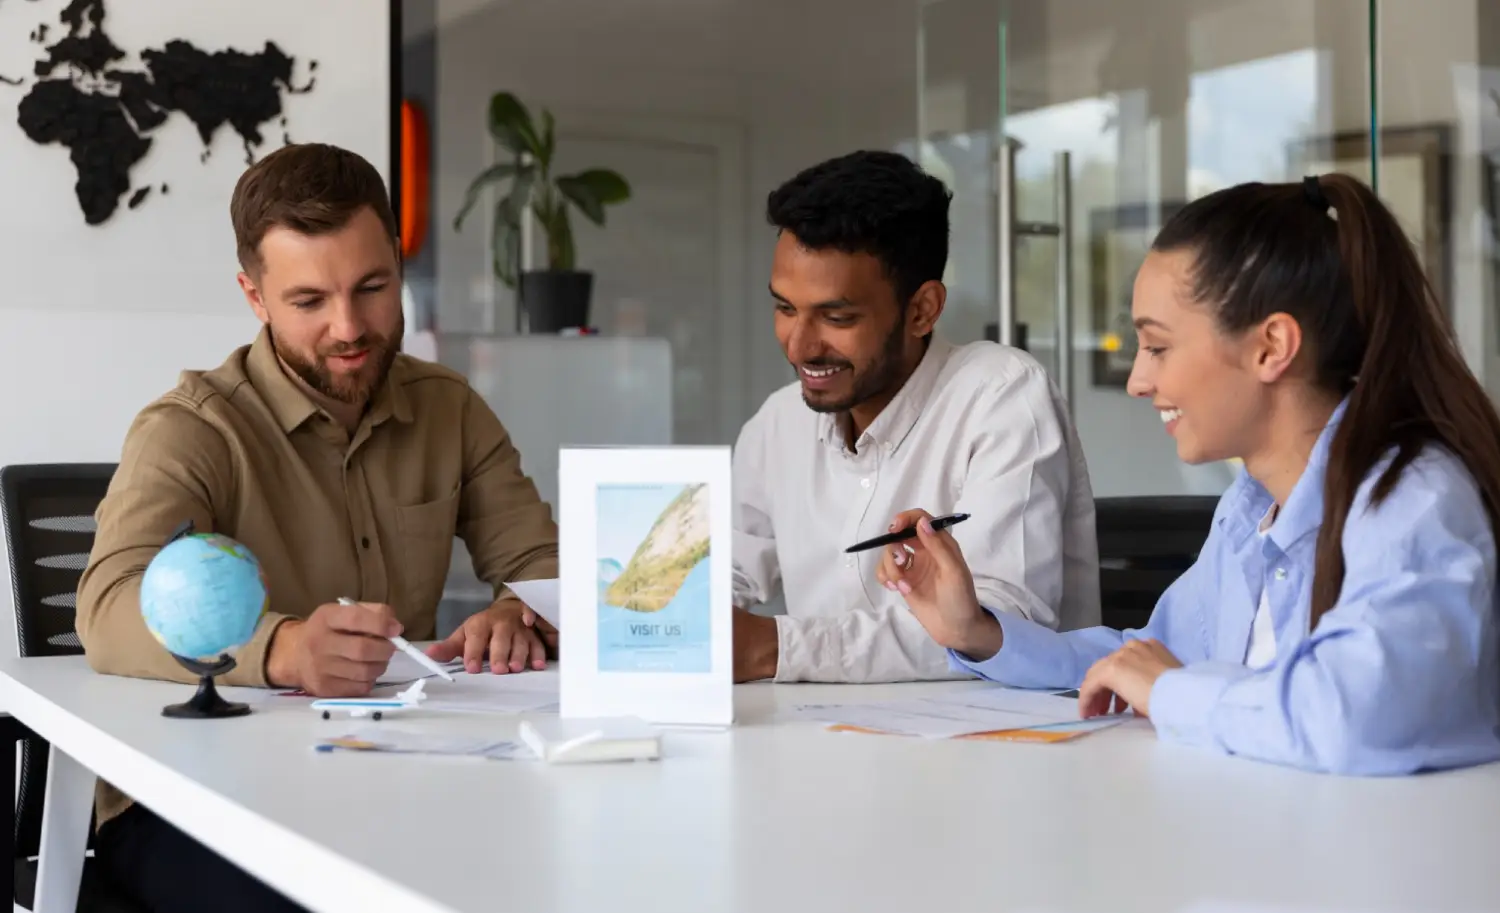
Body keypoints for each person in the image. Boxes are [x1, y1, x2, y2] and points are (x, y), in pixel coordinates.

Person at [879, 174, 1500, 775]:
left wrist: (1173, 691)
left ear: (1271, 347)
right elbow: (1145, 659)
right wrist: (979, 633)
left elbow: (1352, 716)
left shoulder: (1413, 501)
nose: (1138, 381)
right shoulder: (1251, 506)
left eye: (1158, 347)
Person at [76, 143, 558, 912]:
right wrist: (286, 648)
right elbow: (105, 608)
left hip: (399, 770)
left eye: (373, 287)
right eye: (309, 301)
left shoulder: (449, 406)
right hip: (197, 799)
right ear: (255, 296)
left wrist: (516, 609)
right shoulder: (191, 429)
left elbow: (540, 560)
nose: (349, 327)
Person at [730, 150, 1100, 683]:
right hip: (822, 738)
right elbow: (724, 573)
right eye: (785, 308)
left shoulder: (1002, 395)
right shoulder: (779, 422)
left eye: (837, 317)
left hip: (1000, 747)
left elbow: (1000, 623)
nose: (800, 346)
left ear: (923, 309)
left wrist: (776, 647)